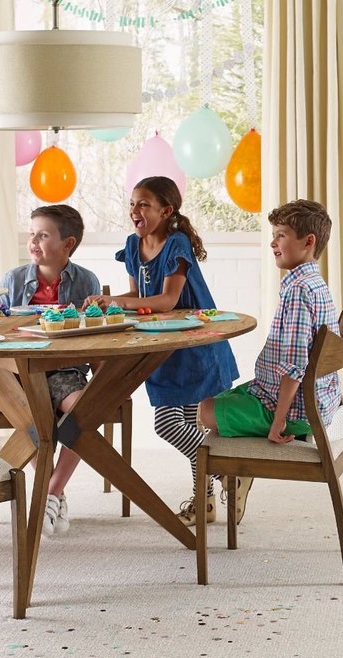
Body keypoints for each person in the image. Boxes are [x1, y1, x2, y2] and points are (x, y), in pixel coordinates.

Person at [82, 176, 239, 526]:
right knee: (182, 424)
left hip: (194, 347)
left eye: (144, 204)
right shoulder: (133, 245)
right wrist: (113, 304)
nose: (135, 211)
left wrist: (117, 301)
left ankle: (226, 472)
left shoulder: (176, 244)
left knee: (171, 425)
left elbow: (167, 300)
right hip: (163, 348)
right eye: (132, 203)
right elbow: (139, 297)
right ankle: (207, 501)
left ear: (166, 210)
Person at [198, 199, 343, 523]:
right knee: (221, 398)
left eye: (281, 235)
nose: (272, 242)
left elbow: (294, 365)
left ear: (308, 242)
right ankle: (231, 476)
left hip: (294, 409)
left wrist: (278, 421)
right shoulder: (315, 284)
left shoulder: (297, 291)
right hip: (304, 398)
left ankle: (230, 474)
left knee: (205, 411)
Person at [0, 204, 100, 538]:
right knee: (32, 418)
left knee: (84, 412)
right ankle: (52, 492)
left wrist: (104, 378)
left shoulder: (87, 281)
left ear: (67, 244)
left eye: (43, 235)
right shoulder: (13, 280)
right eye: (32, 233)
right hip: (18, 372)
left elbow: (97, 332)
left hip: (65, 371)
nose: (33, 241)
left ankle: (50, 491)